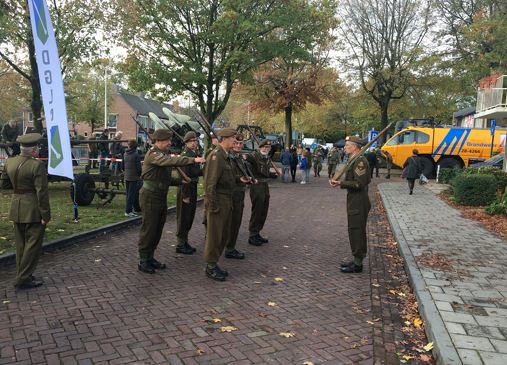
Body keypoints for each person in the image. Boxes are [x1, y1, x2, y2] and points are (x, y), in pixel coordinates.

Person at [137, 129, 205, 274]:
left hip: (160, 196)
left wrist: (181, 182)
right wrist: (193, 160)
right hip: (150, 196)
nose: (169, 143)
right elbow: (172, 161)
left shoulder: (163, 155)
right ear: (159, 141)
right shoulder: (153, 155)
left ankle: (151, 257)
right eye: (167, 140)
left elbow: (166, 178)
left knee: (157, 228)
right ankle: (143, 260)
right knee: (149, 229)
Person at [0, 133, 50, 288]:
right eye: (38, 147)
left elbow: (4, 185)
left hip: (16, 206)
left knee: (21, 244)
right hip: (33, 208)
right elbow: (41, 192)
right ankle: (23, 278)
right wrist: (45, 215)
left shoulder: (9, 162)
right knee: (33, 244)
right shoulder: (37, 165)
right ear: (34, 149)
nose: (39, 149)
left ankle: (23, 274)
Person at [203, 128, 249, 281]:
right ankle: (210, 266)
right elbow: (210, 184)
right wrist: (212, 205)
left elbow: (226, 177)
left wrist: (238, 179)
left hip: (227, 200)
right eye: (233, 139)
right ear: (224, 139)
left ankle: (214, 262)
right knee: (215, 236)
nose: (235, 142)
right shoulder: (216, 156)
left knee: (223, 235)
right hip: (218, 201)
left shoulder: (226, 157)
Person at [330, 136, 371, 274]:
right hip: (354, 199)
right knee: (354, 230)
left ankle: (358, 264)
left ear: (354, 147)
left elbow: (359, 183)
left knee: (357, 231)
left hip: (359, 200)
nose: (345, 147)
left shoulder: (360, 161)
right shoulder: (354, 159)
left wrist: (340, 183)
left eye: (347, 145)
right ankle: (356, 259)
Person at [224, 133, 252, 260]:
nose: (239, 145)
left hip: (240, 193)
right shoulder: (228, 157)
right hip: (232, 193)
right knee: (231, 222)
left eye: (241, 143)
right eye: (236, 143)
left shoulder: (239, 157)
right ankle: (228, 248)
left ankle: (231, 246)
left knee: (236, 222)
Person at [246, 139, 277, 246]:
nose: (265, 149)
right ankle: (252, 234)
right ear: (259, 148)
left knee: (264, 210)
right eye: (263, 147)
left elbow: (265, 172)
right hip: (257, 185)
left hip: (264, 185)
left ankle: (257, 232)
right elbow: (244, 158)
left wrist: (273, 175)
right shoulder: (254, 156)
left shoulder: (267, 158)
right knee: (257, 210)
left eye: (267, 147)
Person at [175, 131, 202, 255]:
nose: (194, 143)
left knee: (189, 216)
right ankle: (181, 243)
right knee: (184, 216)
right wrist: (185, 195)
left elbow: (196, 172)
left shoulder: (194, 154)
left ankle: (184, 241)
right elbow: (184, 178)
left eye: (195, 141)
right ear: (186, 143)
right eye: (191, 141)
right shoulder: (186, 156)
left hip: (193, 187)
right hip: (187, 189)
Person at [123, 139, 142, 217]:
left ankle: (129, 210)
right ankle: (128, 211)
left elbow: (122, 166)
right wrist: (139, 175)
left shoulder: (125, 154)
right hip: (134, 177)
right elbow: (139, 168)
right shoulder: (136, 155)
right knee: (132, 195)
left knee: (128, 194)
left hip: (127, 176)